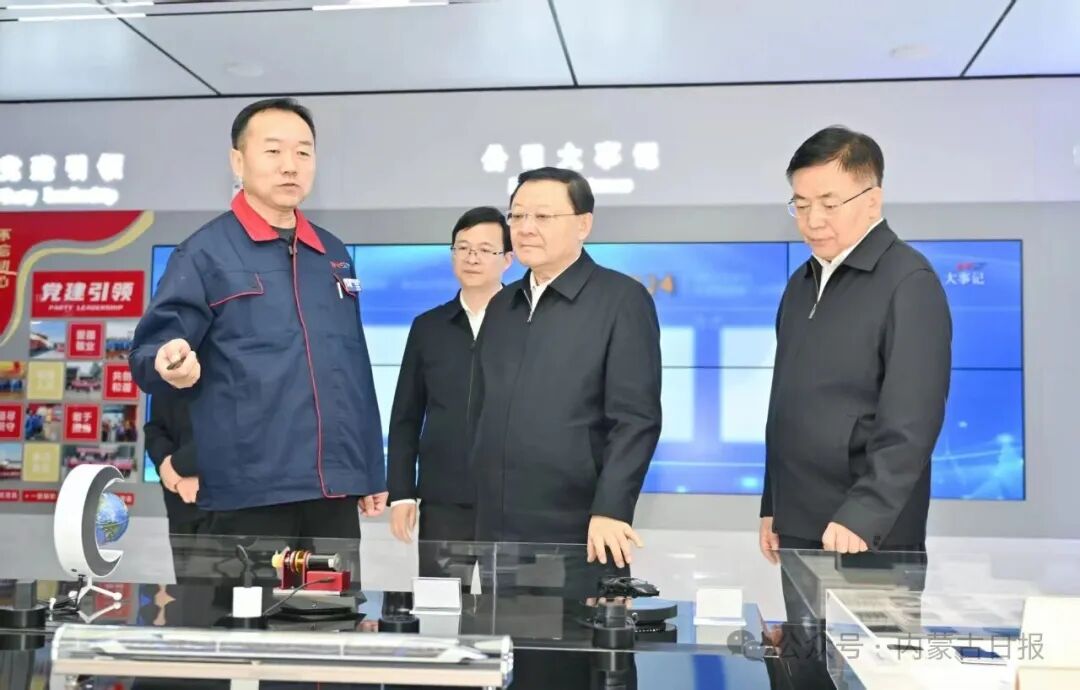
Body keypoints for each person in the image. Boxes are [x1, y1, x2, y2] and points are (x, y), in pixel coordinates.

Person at [130, 98, 387, 539]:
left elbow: (355, 368)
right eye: (273, 151)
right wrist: (167, 361)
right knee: (250, 589)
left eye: (303, 152)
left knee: (332, 588)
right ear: (238, 161)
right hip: (247, 493)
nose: (290, 165)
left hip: (332, 491)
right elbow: (150, 351)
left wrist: (370, 468)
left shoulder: (332, 253)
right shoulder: (205, 253)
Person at [759, 125, 951, 561]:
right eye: (801, 205)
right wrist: (773, 504)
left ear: (872, 201)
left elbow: (913, 419)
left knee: (868, 616)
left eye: (829, 204)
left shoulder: (909, 282)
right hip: (798, 520)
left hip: (866, 530)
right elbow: (784, 403)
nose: (813, 220)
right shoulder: (801, 282)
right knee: (800, 620)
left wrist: (865, 513)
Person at [468, 167, 662, 569]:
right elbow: (481, 409)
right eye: (517, 215)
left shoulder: (621, 299)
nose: (525, 228)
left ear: (583, 225)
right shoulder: (502, 305)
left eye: (543, 216)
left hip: (582, 527)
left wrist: (611, 508)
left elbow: (635, 420)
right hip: (495, 525)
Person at [387, 207, 513, 551]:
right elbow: (405, 417)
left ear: (507, 259)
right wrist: (401, 493)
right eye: (463, 248)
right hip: (443, 498)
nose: (472, 258)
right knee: (439, 587)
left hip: (513, 500)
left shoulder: (528, 323)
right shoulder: (428, 327)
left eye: (485, 250)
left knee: (509, 588)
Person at [143, 392, 208, 535]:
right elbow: (155, 429)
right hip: (178, 501)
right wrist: (167, 466)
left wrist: (179, 467)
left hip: (229, 506)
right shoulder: (164, 384)